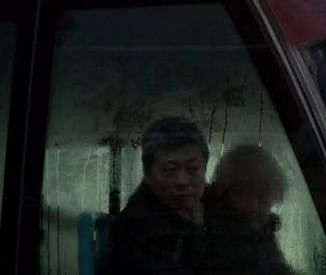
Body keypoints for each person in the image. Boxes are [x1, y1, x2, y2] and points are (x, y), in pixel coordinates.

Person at [104, 117, 213, 275]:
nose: (182, 181)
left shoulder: (219, 209)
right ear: (148, 174)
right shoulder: (135, 232)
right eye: (170, 170)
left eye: (193, 168)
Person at [204, 144, 295, 275]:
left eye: (267, 198)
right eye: (257, 195)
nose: (259, 207)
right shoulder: (210, 238)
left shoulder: (261, 234)